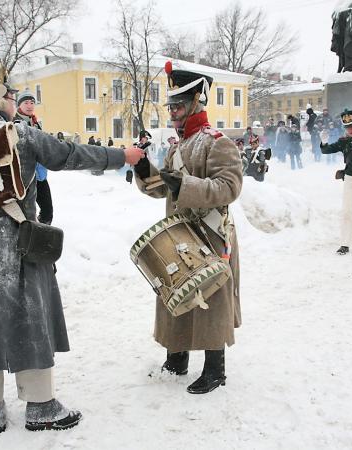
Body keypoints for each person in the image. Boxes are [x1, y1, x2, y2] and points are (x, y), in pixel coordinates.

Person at [0, 31, 143, 433]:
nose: (13, 100)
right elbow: (71, 155)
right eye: (9, 94)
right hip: (19, 243)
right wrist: (121, 156)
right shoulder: (19, 133)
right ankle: (40, 406)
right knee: (28, 318)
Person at [133, 61, 242, 394]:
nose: (173, 112)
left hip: (212, 234)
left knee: (212, 299)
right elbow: (159, 188)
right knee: (173, 291)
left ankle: (215, 369)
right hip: (181, 233)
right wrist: (142, 167)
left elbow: (229, 188)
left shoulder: (217, 142)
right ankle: (176, 358)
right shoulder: (178, 146)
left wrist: (185, 186)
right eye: (171, 106)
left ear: (198, 99)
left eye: (178, 105)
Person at [320, 109, 352, 255]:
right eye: (347, 127)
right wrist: (324, 142)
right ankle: (345, 244)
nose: (349, 129)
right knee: (346, 212)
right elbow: (326, 150)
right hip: (349, 179)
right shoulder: (343, 141)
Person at [14, 90, 53, 224]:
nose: (30, 105)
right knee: (26, 211)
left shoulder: (35, 122)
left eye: (32, 103)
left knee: (47, 210)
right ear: (19, 105)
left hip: (40, 174)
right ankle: (32, 236)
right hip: (24, 176)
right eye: (26, 103)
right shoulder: (15, 122)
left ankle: (42, 232)